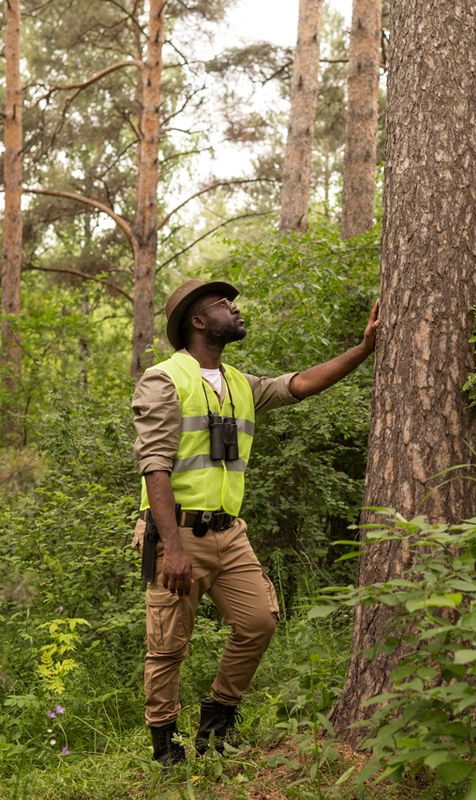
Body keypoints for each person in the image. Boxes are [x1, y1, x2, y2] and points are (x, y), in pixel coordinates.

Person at [131, 278, 379, 765]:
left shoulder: (242, 384)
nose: (236, 309)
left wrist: (364, 348)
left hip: (230, 533)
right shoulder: (165, 379)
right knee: (167, 646)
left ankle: (216, 721)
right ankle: (165, 747)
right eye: (224, 305)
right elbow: (155, 466)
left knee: (259, 620)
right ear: (199, 322)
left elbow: (302, 383)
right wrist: (174, 549)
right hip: (177, 534)